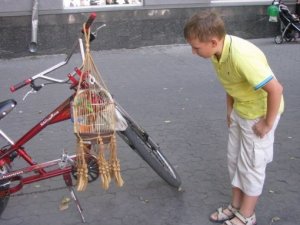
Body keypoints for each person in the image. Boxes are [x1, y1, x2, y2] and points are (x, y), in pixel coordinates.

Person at [184, 10, 284, 225]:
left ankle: (247, 216)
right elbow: (232, 82)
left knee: (252, 166)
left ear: (212, 41)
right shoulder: (216, 53)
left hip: (259, 114)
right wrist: (229, 109)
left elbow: (276, 89)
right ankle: (236, 207)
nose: (193, 52)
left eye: (195, 47)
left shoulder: (241, 56)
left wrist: (267, 123)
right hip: (241, 110)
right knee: (235, 160)